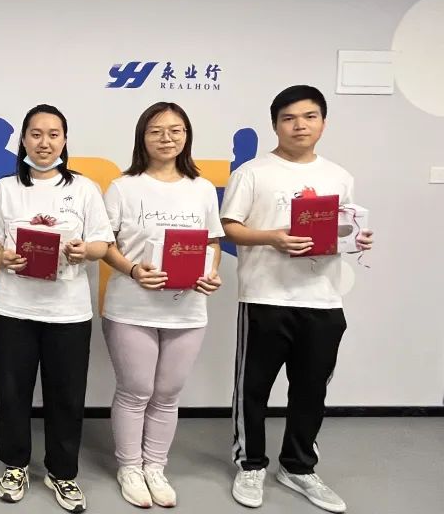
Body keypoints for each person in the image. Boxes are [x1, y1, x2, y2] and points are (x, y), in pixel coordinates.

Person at [222, 85, 373, 513]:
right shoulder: (252, 173)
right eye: (289, 118)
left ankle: (298, 466)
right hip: (264, 295)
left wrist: (357, 239)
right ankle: (250, 463)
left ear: (323, 123)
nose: (299, 126)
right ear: (275, 125)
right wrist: (272, 237)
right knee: (253, 388)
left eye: (309, 117)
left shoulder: (339, 176)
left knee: (311, 390)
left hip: (323, 299)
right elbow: (229, 227)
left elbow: (344, 227)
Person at [0, 104, 113, 513]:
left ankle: (62, 472)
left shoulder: (84, 188)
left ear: (64, 140)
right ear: (23, 140)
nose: (44, 142)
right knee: (12, 392)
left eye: (53, 134)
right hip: (13, 309)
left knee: (67, 396)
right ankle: (15, 465)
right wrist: (1, 257)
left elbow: (102, 243)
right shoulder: (6, 188)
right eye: (36, 134)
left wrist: (84, 250)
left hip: (68, 313)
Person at [101, 102, 223, 508]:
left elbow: (211, 243)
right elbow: (105, 245)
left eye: (175, 130)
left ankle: (155, 466)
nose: (166, 138)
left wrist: (211, 273)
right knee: (136, 390)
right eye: (156, 131)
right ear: (142, 137)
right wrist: (134, 270)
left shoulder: (202, 188)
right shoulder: (123, 187)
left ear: (186, 136)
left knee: (168, 393)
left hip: (187, 308)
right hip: (131, 307)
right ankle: (129, 467)